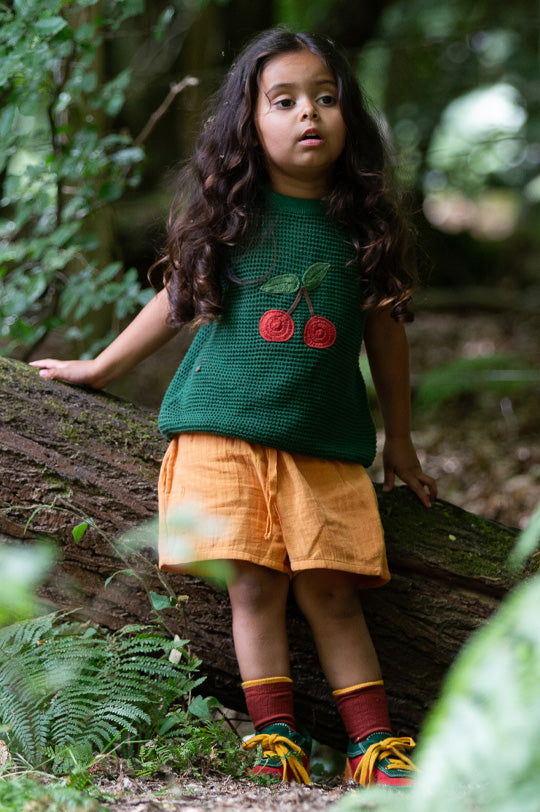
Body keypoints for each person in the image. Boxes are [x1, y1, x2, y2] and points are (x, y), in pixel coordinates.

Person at [31, 28, 437, 787]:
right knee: (254, 585)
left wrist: (402, 443)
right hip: (224, 433)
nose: (308, 113)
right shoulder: (234, 215)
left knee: (334, 591)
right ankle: (274, 738)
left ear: (349, 117)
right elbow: (176, 300)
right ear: (248, 123)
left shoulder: (363, 228)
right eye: (283, 101)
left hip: (325, 442)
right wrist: (102, 365)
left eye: (325, 98)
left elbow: (387, 336)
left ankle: (375, 747)